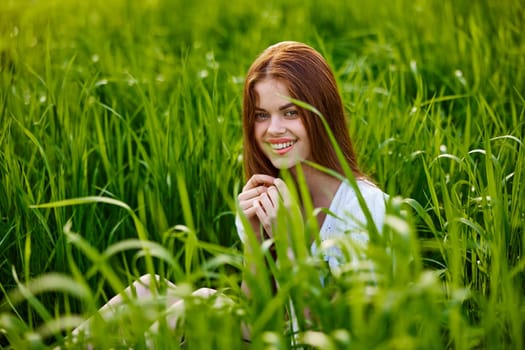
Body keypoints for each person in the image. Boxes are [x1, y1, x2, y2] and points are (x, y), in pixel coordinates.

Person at [68, 40, 388, 346]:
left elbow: (325, 334)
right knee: (148, 287)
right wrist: (254, 240)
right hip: (272, 338)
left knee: (203, 303)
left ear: (322, 114)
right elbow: (254, 317)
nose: (273, 129)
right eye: (262, 115)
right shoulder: (266, 194)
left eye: (290, 112)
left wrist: (290, 244)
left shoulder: (363, 209)